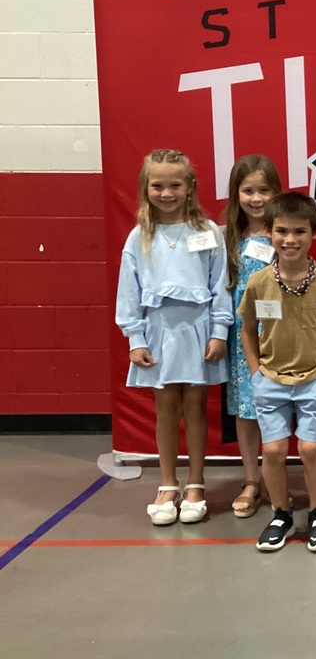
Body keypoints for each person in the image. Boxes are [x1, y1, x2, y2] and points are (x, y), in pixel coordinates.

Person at [115, 149, 231, 525]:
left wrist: (218, 331)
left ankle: (196, 481)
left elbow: (219, 285)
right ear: (145, 188)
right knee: (166, 409)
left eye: (175, 185)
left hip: (198, 330)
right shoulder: (139, 237)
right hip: (158, 331)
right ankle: (168, 482)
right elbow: (128, 291)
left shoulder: (208, 232)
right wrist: (135, 338)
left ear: (190, 187)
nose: (167, 193)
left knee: (196, 408)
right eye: (158, 185)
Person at [239, 192, 316, 553]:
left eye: (300, 231)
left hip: (313, 379)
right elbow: (247, 329)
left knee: (310, 447)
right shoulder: (258, 282)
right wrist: (257, 373)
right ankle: (281, 513)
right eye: (282, 231)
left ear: (314, 233)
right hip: (270, 380)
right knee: (272, 451)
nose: (290, 240)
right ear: (269, 232)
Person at [222, 154, 281, 519]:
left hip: (278, 332)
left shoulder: (284, 231)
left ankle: (277, 476)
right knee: (246, 408)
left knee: (275, 403)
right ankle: (251, 478)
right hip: (239, 334)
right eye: (248, 191)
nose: (256, 198)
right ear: (236, 193)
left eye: (264, 190)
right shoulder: (225, 235)